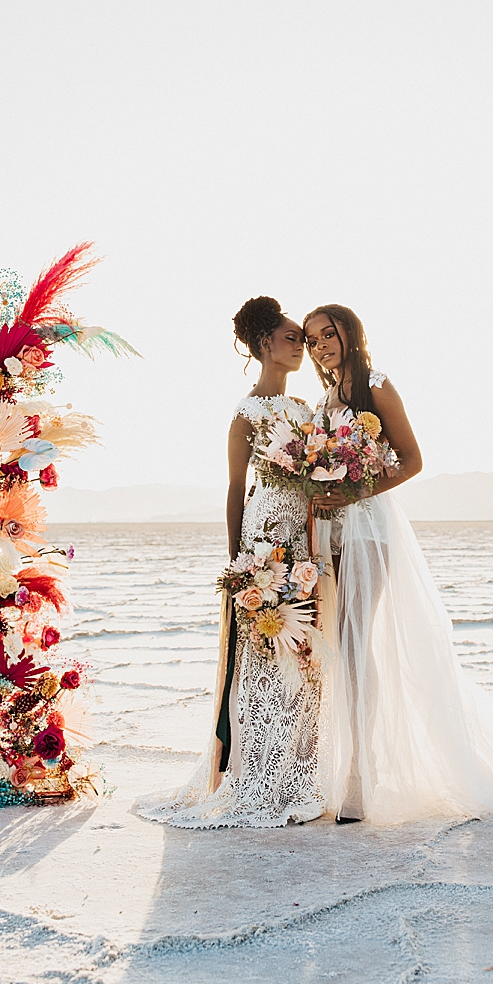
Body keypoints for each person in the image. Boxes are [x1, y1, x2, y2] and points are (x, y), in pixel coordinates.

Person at [302, 304, 493, 824]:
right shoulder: (325, 399)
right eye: (311, 339)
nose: (320, 346)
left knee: (354, 643)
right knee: (341, 645)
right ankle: (342, 766)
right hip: (330, 532)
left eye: (328, 334)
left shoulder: (377, 386)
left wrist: (354, 492)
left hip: (367, 527)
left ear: (350, 333)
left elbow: (413, 461)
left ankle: (361, 776)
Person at [134, 296, 326, 828]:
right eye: (292, 337)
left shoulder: (306, 409)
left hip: (302, 539)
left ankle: (297, 774)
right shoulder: (246, 413)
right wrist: (239, 562)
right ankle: (253, 772)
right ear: (265, 343)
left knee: (302, 655)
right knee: (262, 655)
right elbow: (235, 488)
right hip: (263, 540)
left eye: (303, 340)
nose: (302, 347)